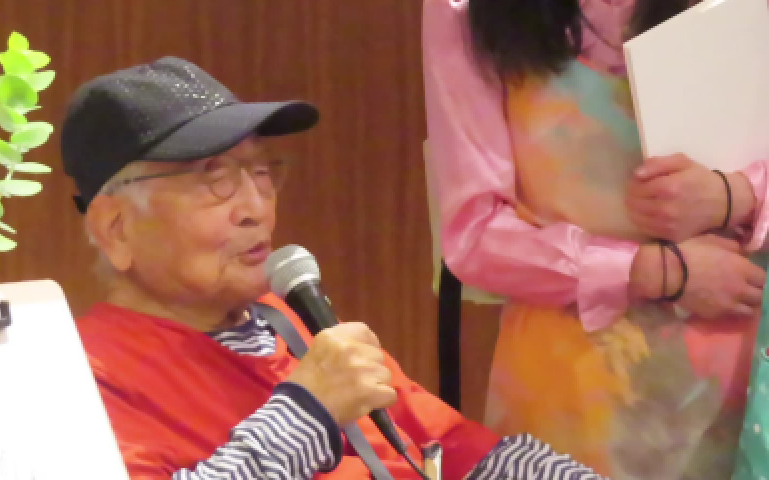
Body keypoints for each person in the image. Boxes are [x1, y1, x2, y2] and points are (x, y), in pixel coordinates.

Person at [61, 56, 604, 480]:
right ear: (117, 229)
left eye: (261, 171)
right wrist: (307, 411)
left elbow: (461, 451)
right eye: (213, 178)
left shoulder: (291, 319)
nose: (255, 207)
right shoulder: (82, 378)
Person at [422, 0, 769, 478]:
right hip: (571, 401)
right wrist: (651, 271)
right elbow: (474, 232)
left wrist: (736, 195)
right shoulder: (463, 9)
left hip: (747, 398)